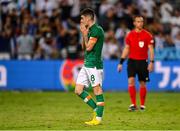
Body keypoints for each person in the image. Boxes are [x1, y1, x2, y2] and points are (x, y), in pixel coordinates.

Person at [117, 15, 154, 111]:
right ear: (134, 23)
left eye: (141, 21)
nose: (140, 23)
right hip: (132, 61)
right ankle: (133, 104)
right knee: (131, 81)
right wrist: (121, 62)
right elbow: (127, 48)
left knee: (142, 83)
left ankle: (142, 105)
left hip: (143, 61)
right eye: (138, 21)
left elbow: (151, 49)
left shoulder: (147, 35)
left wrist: (151, 62)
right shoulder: (130, 35)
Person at [75, 8, 105, 125]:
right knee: (78, 90)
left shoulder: (97, 30)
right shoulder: (90, 30)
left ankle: (98, 119)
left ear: (88, 18)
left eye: (82, 18)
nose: (81, 21)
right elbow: (84, 46)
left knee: (97, 89)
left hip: (94, 65)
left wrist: (84, 34)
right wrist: (84, 35)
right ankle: (96, 109)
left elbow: (88, 48)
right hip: (87, 63)